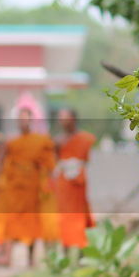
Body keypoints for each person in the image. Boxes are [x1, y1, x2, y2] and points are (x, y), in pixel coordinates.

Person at [0, 108, 56, 267]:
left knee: (32, 223)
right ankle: (8, 256)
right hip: (15, 187)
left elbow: (49, 165)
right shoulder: (11, 142)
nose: (22, 122)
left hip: (33, 188)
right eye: (20, 120)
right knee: (11, 221)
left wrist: (50, 185)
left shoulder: (41, 141)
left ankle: (30, 259)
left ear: (31, 121)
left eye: (25, 119)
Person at [52, 107, 96, 254]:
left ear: (74, 119)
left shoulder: (85, 139)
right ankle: (65, 251)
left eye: (66, 118)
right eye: (61, 118)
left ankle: (81, 253)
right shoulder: (58, 141)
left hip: (78, 182)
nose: (63, 121)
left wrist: (75, 167)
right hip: (64, 183)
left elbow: (88, 159)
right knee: (65, 217)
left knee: (80, 216)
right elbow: (56, 162)